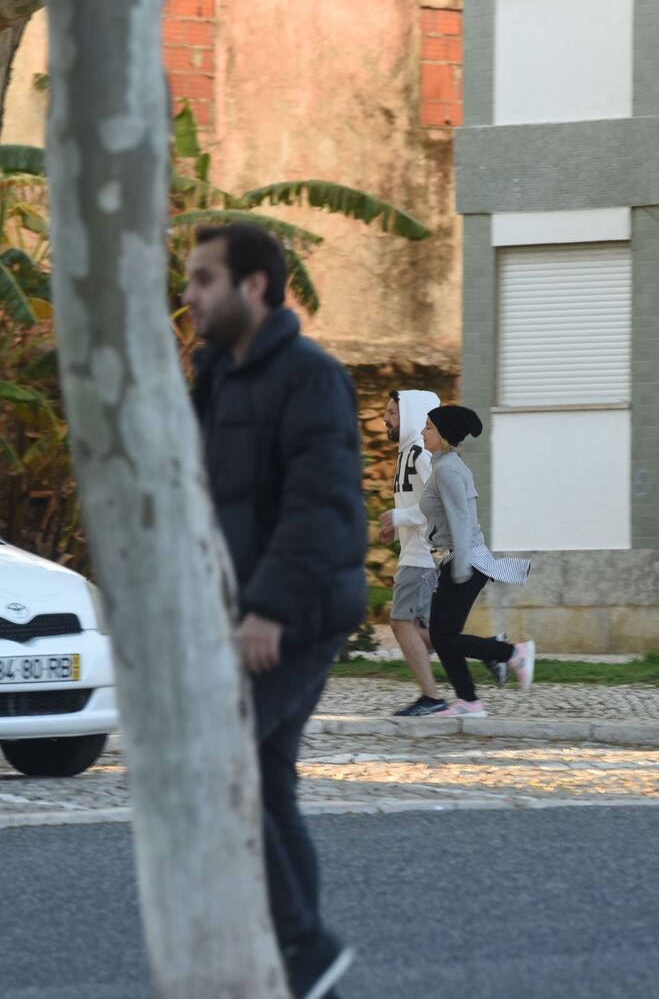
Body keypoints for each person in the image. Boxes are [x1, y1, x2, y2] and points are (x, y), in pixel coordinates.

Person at [185, 222, 366, 999]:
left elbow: (320, 507)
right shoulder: (219, 377)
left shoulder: (307, 376)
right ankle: (304, 961)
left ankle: (300, 946)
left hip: (294, 618)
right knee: (263, 779)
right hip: (249, 613)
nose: (188, 295)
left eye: (202, 279)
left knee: (218, 767)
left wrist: (265, 610)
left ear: (253, 286)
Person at [419, 404, 535, 717]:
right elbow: (441, 517)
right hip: (458, 560)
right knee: (443, 637)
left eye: (429, 427)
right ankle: (469, 701)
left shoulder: (448, 470)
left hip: (464, 561)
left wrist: (458, 570)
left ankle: (510, 652)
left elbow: (459, 521)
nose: (422, 432)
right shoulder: (445, 466)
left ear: (443, 435)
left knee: (442, 636)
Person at [378, 389, 444, 715]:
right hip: (416, 554)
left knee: (400, 625)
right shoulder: (406, 452)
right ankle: (496, 652)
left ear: (413, 414)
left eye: (392, 412)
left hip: (421, 556)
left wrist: (399, 517)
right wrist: (395, 525)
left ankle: (432, 697)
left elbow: (438, 503)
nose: (385, 418)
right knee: (423, 632)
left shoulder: (421, 454)